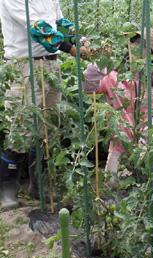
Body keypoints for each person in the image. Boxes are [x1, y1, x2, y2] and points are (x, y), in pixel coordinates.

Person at [0, 0, 90, 209]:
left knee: (48, 126)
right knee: (22, 126)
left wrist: (81, 39)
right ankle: (7, 191)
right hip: (25, 65)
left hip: (51, 63)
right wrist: (71, 48)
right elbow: (37, 28)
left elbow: (60, 22)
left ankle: (39, 186)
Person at [82, 28, 153, 190]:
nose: (136, 47)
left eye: (143, 45)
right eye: (134, 42)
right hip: (120, 145)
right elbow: (88, 88)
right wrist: (98, 64)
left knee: (145, 186)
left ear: (152, 54)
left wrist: (148, 135)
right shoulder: (114, 76)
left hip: (146, 148)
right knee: (112, 184)